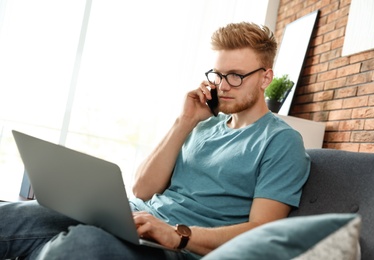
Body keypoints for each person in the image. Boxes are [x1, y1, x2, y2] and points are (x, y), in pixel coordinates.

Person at [0, 22, 310, 260]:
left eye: (236, 76)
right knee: (13, 215)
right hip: (135, 219)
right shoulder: (203, 122)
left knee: (81, 244)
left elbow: (262, 232)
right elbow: (143, 190)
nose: (223, 86)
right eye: (217, 75)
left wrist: (178, 235)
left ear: (265, 78)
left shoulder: (281, 141)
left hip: (178, 247)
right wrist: (184, 121)